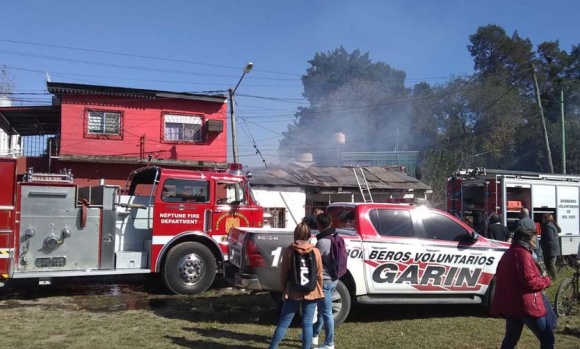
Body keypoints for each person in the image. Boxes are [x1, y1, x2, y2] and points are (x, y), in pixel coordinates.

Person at [492, 227, 554, 349]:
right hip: (526, 305)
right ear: (525, 240)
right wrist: (546, 280)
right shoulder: (523, 254)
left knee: (510, 339)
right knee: (547, 337)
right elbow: (530, 281)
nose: (534, 242)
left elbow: (499, 276)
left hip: (512, 304)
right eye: (533, 239)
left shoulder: (508, 254)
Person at [268, 222, 323, 349]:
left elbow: (284, 273)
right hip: (311, 291)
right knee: (308, 323)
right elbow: (319, 274)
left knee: (284, 323)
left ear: (295, 235)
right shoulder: (315, 251)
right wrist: (318, 288)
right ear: (309, 235)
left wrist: (283, 288)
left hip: (293, 291)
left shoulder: (289, 251)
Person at [311, 213, 339, 349]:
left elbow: (315, 261)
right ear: (330, 223)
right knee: (323, 311)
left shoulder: (322, 242)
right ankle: (314, 335)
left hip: (325, 281)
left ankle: (329, 343)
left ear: (319, 225)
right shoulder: (336, 238)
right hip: (334, 279)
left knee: (327, 313)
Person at [540, 214, 561, 280]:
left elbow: (550, 237)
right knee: (551, 264)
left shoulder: (548, 226)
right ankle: (551, 278)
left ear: (546, 219)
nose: (542, 220)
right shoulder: (552, 224)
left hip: (550, 248)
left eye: (543, 218)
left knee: (551, 264)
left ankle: (554, 279)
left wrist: (543, 242)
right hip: (553, 247)